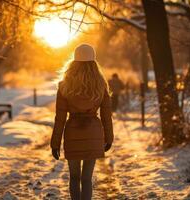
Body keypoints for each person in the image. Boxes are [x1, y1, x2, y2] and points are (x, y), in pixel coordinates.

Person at [50, 44, 114, 200]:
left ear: (74, 61)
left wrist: (55, 142)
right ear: (93, 61)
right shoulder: (101, 85)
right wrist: (109, 137)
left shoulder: (65, 85)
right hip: (94, 132)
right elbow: (106, 115)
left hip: (73, 132)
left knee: (74, 177)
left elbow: (60, 118)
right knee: (87, 179)